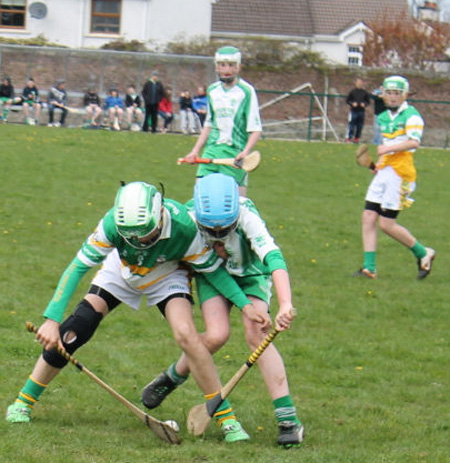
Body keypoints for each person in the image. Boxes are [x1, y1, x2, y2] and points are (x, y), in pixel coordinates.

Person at [5, 181, 267, 443]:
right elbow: (77, 268)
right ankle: (23, 402)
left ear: (160, 214)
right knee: (74, 330)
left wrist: (245, 305)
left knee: (187, 335)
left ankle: (227, 419)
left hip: (167, 274)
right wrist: (51, 320)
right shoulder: (111, 225)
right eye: (131, 235)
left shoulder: (185, 229)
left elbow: (215, 273)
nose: (138, 240)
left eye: (145, 234)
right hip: (121, 270)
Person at [142, 173, 303, 448]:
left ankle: (288, 419)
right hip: (212, 276)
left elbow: (273, 257)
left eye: (224, 230)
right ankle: (174, 375)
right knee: (216, 336)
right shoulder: (189, 217)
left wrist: (286, 303)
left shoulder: (247, 214)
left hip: (251, 274)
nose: (217, 237)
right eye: (211, 231)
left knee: (257, 335)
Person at [353, 75, 435, 280]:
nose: (392, 97)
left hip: (401, 174)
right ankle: (369, 268)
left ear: (405, 95)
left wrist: (387, 149)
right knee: (368, 216)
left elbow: (413, 142)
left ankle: (424, 253)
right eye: (389, 93)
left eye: (397, 93)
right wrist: (380, 164)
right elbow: (390, 145)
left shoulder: (412, 116)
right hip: (386, 171)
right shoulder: (383, 117)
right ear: (383, 94)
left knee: (387, 225)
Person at [183, 46, 262, 197]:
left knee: (238, 206)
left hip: (234, 153)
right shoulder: (213, 90)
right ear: (216, 67)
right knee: (200, 200)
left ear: (239, 67)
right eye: (222, 65)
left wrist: (245, 153)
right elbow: (208, 124)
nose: (226, 69)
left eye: (231, 65)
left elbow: (256, 128)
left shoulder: (246, 91)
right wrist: (195, 151)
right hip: (211, 150)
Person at [345, 77, 370, 143]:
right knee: (351, 125)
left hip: (361, 111)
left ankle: (357, 138)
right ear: (356, 83)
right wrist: (352, 104)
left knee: (360, 126)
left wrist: (364, 104)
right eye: (358, 82)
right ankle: (349, 138)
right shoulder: (352, 92)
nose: (359, 84)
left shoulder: (365, 93)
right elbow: (348, 101)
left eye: (361, 83)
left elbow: (368, 102)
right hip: (353, 111)